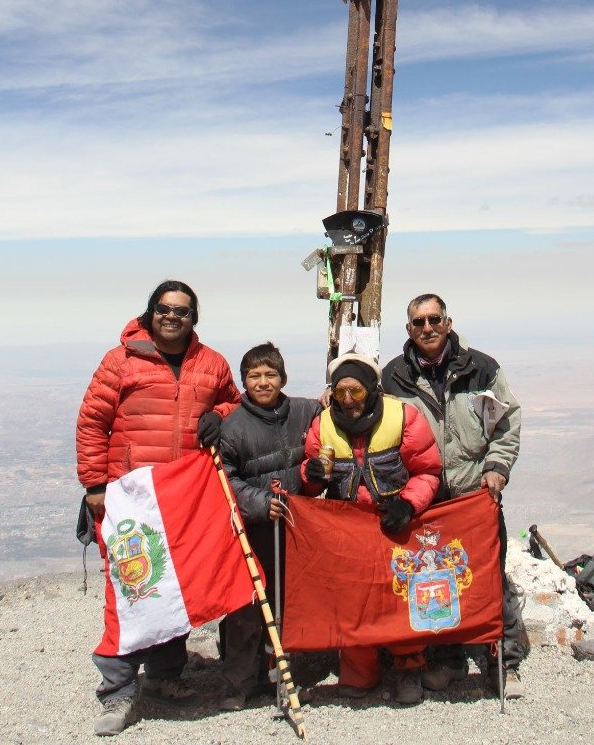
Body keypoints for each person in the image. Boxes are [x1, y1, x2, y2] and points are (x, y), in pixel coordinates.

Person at [76, 280, 240, 737]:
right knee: (129, 587)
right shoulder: (120, 360)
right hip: (130, 494)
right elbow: (92, 420)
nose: (173, 316)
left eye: (183, 311)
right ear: (150, 313)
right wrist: (94, 485)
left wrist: (220, 416)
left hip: (185, 495)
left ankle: (166, 676)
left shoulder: (212, 363)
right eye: (165, 309)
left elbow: (234, 401)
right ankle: (118, 689)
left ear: (194, 317)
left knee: (176, 585)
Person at [381, 293, 528, 698]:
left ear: (448, 322)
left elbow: (506, 422)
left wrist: (497, 468)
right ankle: (446, 660)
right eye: (418, 322)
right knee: (432, 579)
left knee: (488, 576)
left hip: (474, 495)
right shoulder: (392, 377)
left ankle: (503, 664)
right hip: (425, 501)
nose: (427, 328)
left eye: (434, 319)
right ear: (408, 329)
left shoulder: (482, 368)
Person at [300, 352, 442, 705]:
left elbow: (427, 470)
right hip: (347, 528)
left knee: (401, 595)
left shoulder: (403, 417)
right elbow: (309, 474)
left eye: (357, 392)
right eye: (341, 392)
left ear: (372, 389)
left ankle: (408, 667)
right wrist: (310, 475)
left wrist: (408, 504)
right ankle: (359, 672)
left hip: (395, 523)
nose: (348, 401)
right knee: (353, 601)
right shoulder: (323, 424)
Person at [215, 342, 320, 711]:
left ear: (283, 378)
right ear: (244, 381)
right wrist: (260, 504)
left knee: (287, 602)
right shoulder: (232, 427)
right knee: (246, 606)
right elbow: (225, 479)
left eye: (270, 374)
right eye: (254, 376)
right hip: (250, 529)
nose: (263, 382)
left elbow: (329, 427)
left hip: (294, 527)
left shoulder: (306, 411)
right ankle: (238, 683)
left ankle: (283, 676)